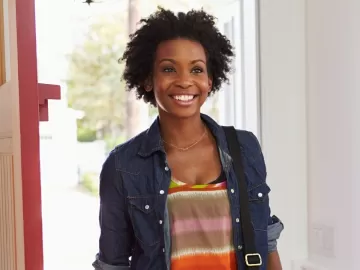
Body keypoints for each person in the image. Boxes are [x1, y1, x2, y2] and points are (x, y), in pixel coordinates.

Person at [92, 7, 284, 270]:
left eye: (196, 70)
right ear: (148, 79)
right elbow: (112, 264)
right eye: (169, 69)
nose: (184, 81)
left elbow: (267, 241)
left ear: (210, 80)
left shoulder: (244, 147)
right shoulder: (123, 165)